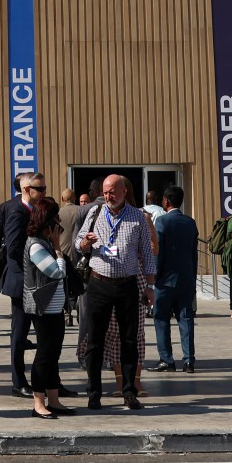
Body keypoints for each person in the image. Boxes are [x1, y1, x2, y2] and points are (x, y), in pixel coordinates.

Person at [73, 173, 156, 410]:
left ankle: (129, 392)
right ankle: (94, 393)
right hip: (99, 284)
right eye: (105, 192)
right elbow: (79, 243)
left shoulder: (137, 217)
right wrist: (86, 243)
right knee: (95, 341)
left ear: (124, 192)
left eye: (112, 192)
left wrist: (150, 286)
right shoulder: (95, 212)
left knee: (129, 340)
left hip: (127, 284)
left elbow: (147, 253)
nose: (108, 196)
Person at [21, 196, 74, 418]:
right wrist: (58, 250)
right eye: (55, 219)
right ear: (46, 221)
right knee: (44, 355)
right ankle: (38, 403)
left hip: (54, 309)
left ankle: (53, 400)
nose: (58, 225)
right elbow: (56, 272)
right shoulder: (36, 245)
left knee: (53, 355)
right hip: (42, 309)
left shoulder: (44, 242)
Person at [0, 170, 41, 397]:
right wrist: (37, 262)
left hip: (37, 282)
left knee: (46, 334)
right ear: (27, 190)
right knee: (20, 333)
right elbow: (12, 248)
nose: (44, 192)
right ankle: (19, 381)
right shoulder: (15, 211)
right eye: (40, 189)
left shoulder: (36, 209)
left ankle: (49, 382)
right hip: (23, 280)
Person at [149, 185, 197, 373]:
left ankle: (167, 360)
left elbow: (158, 251)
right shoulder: (190, 222)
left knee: (161, 317)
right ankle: (189, 360)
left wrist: (154, 275)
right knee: (186, 318)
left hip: (166, 280)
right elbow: (193, 253)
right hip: (186, 278)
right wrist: (192, 276)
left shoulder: (162, 221)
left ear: (166, 201)